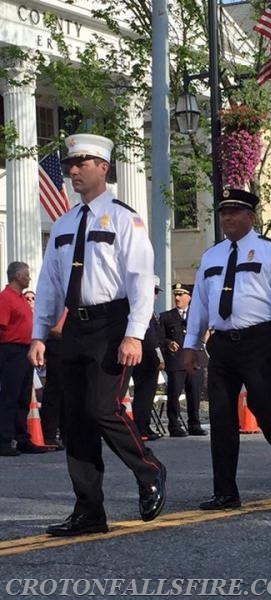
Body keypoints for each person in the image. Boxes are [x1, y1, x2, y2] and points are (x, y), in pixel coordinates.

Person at [28, 133, 166, 536]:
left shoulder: (124, 217)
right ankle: (89, 511)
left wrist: (135, 334)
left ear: (103, 167)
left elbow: (141, 278)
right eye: (71, 164)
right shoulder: (65, 223)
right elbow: (50, 281)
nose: (73, 170)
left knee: (101, 408)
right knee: (75, 419)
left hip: (113, 322)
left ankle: (149, 469)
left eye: (82, 163)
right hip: (74, 325)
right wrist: (40, 333)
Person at [183, 188, 271, 510]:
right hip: (223, 343)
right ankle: (225, 491)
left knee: (266, 411)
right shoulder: (212, 256)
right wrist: (191, 344)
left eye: (234, 213)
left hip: (260, 340)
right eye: (224, 213)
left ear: (250, 218)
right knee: (221, 418)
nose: (227, 218)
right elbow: (199, 303)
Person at [0, 264, 47, 456]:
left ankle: (22, 438)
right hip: (11, 350)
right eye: (26, 275)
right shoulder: (6, 299)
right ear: (17, 276)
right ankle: (3, 440)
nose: (29, 278)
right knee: (9, 396)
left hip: (25, 350)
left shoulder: (20, 299)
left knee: (24, 397)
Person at [160, 283, 207, 437]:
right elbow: (160, 337)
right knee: (174, 394)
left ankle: (194, 424)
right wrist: (168, 343)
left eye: (181, 295)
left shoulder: (197, 314)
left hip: (195, 359)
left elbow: (207, 329)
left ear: (190, 297)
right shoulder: (166, 316)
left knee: (194, 393)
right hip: (176, 361)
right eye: (175, 295)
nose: (177, 298)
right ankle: (174, 426)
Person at [132, 275, 165, 441]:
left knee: (146, 395)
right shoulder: (144, 311)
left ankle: (143, 426)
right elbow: (151, 339)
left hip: (146, 358)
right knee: (144, 395)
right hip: (146, 359)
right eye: (153, 291)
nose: (155, 296)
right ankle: (141, 428)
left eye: (156, 292)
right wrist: (159, 359)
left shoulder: (151, 312)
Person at [40, 310, 67, 449]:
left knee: (68, 394)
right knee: (55, 392)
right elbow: (54, 328)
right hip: (58, 344)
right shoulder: (57, 305)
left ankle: (66, 434)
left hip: (69, 346)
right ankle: (48, 434)